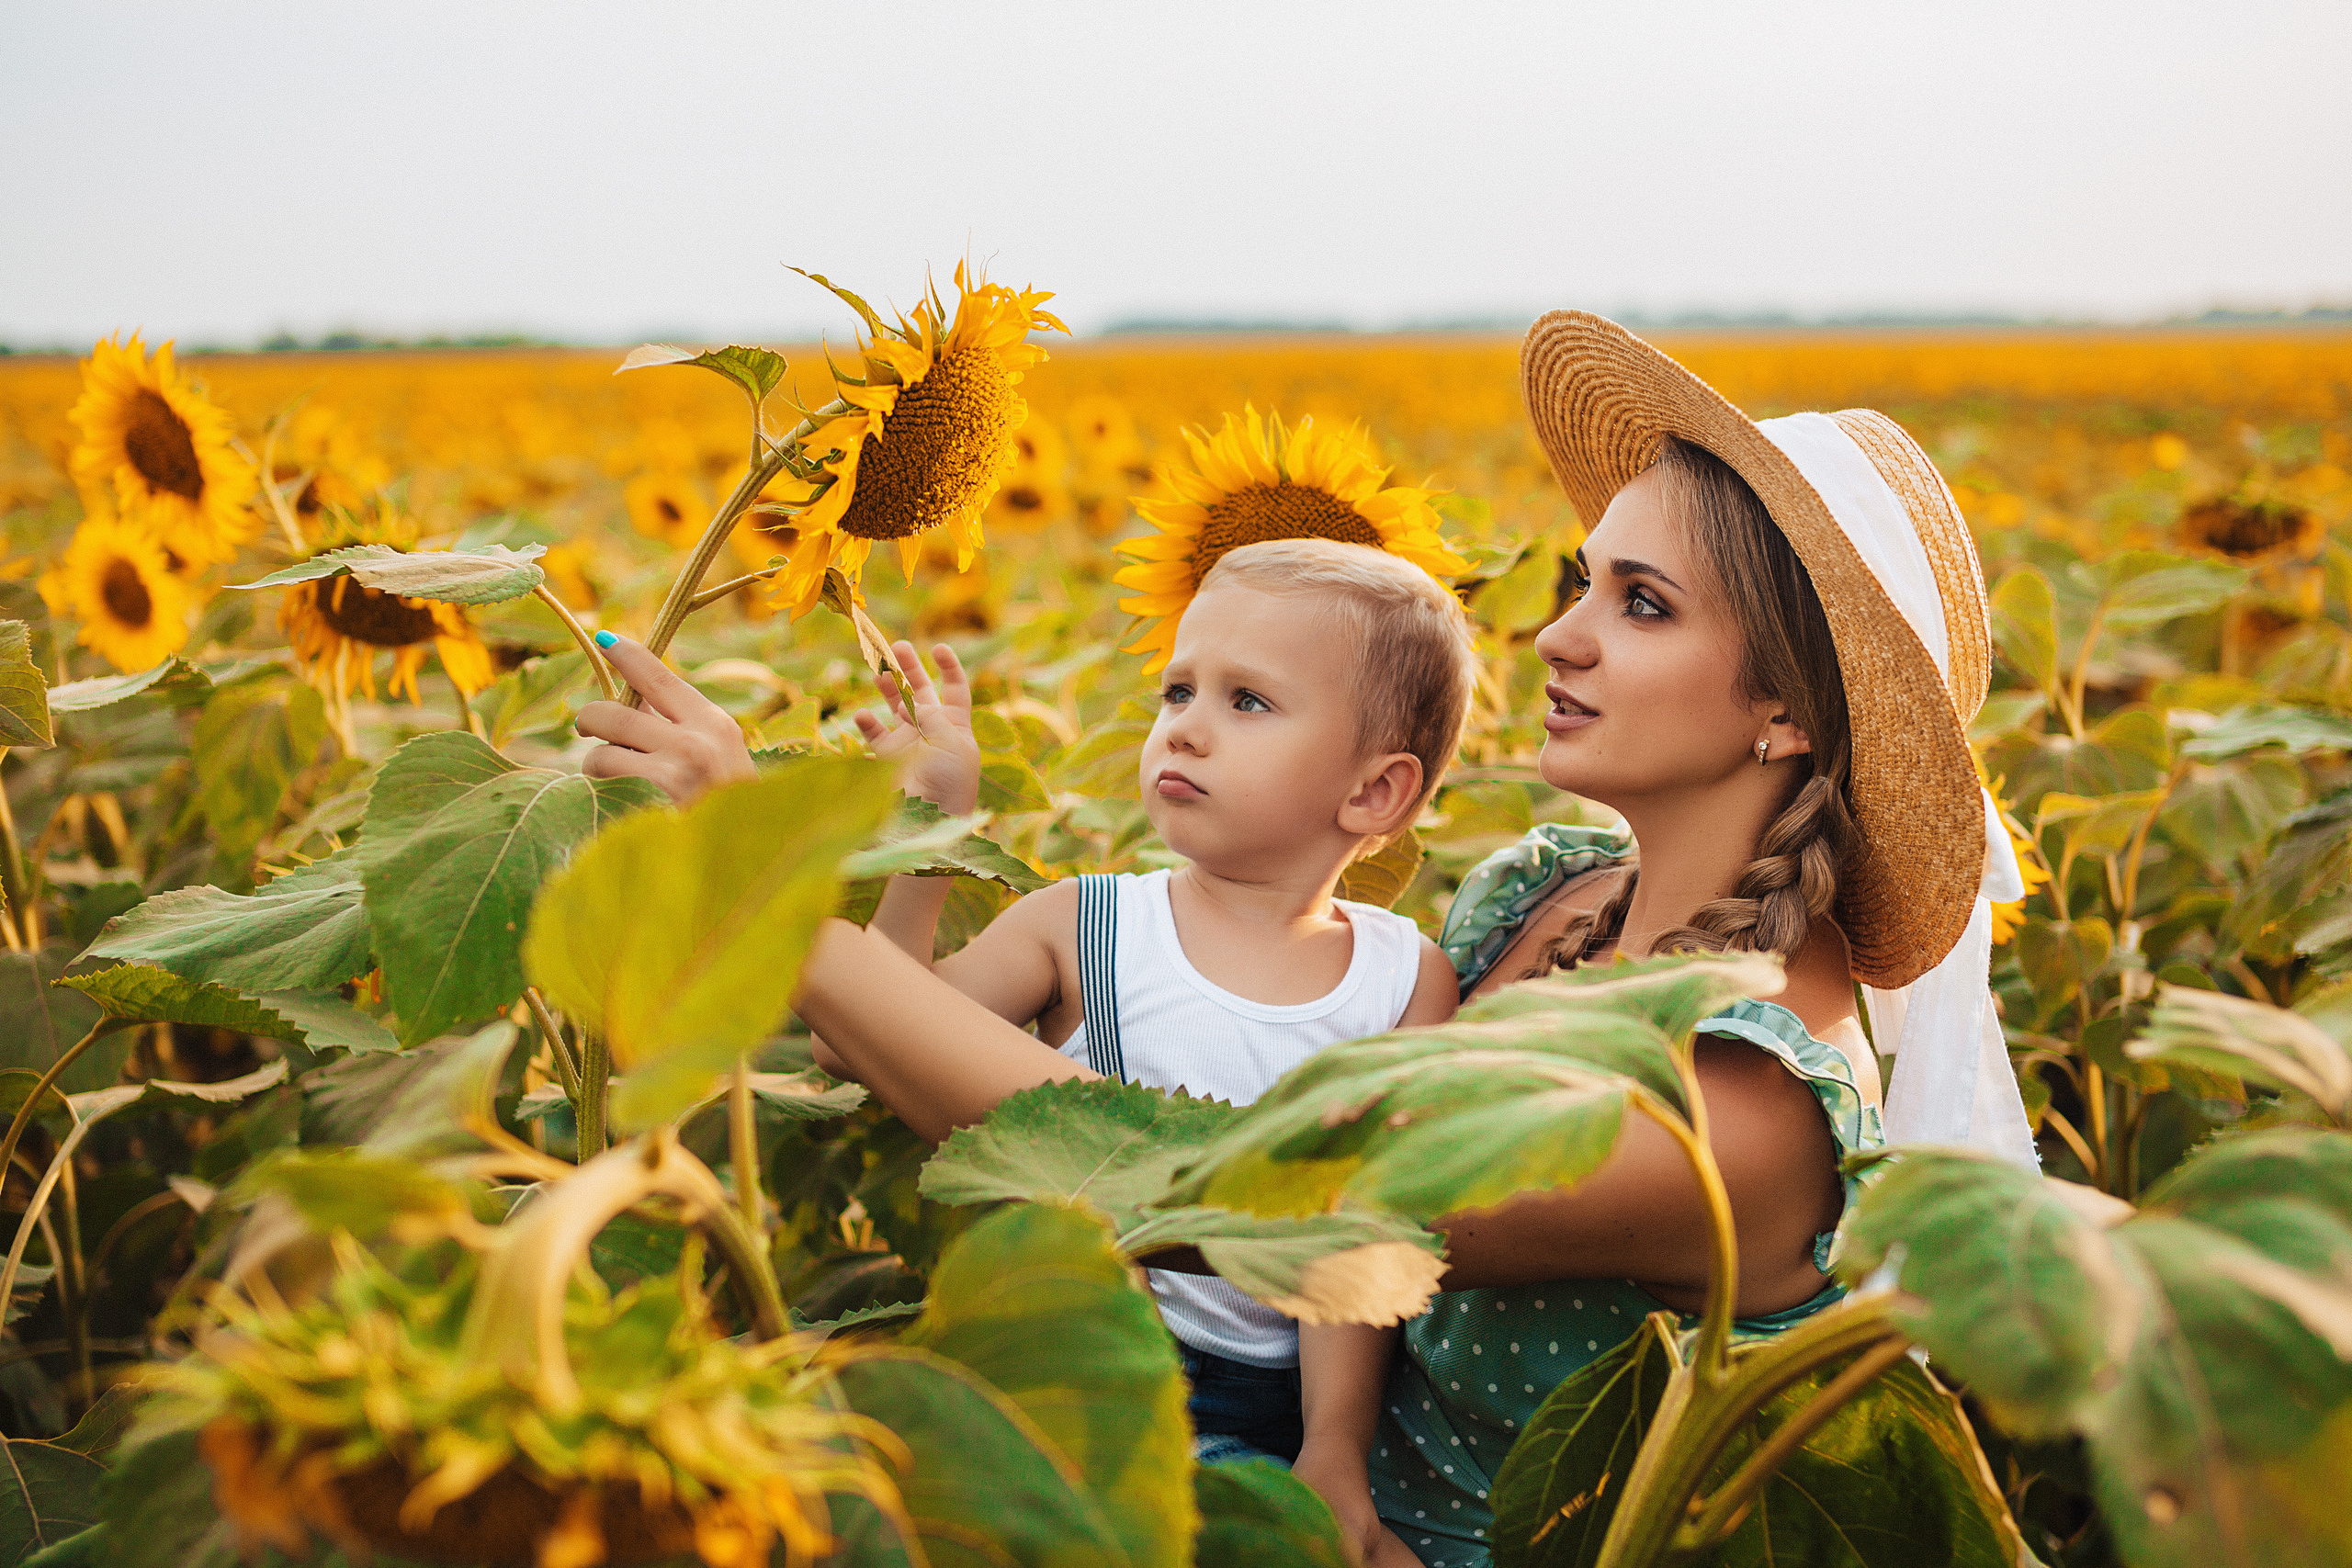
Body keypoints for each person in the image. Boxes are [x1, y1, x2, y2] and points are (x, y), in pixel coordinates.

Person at [575, 310, 2034, 1568]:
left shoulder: (1746, 1108)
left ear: (1785, 712)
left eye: (1641, 604)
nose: (1559, 638)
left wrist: (765, 883)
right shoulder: (1560, 896)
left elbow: (1254, 1189)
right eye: (1581, 583)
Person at [820, 536, 1468, 1473]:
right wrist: (933, 825)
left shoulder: (1404, 980)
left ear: (1374, 790)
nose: (1186, 728)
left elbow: (1359, 1234)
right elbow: (868, 1030)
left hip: (1286, 1411)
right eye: (1178, 691)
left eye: (1247, 701)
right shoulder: (1082, 924)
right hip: (1074, 1364)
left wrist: (1333, 1446)